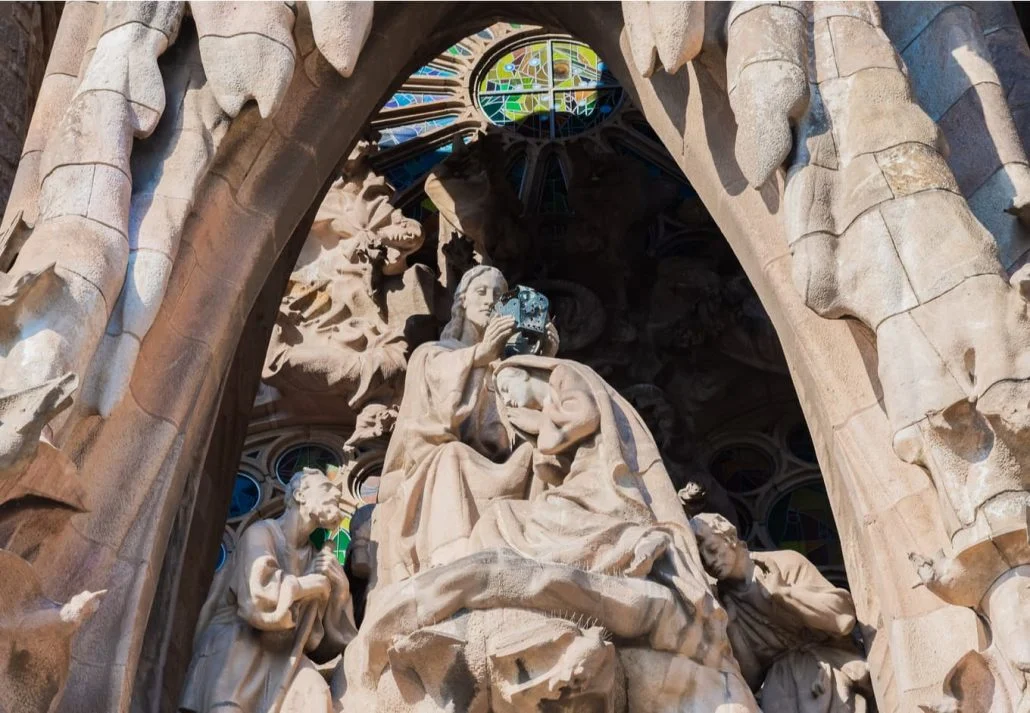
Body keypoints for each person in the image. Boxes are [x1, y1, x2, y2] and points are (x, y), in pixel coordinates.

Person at [370, 265, 557, 586]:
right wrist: (480, 356)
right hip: (448, 464)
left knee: (541, 456)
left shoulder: (508, 368)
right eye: (481, 292)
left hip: (507, 465)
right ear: (462, 302)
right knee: (451, 456)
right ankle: (454, 559)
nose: (490, 300)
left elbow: (535, 418)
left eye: (499, 296)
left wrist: (543, 359)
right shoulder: (433, 354)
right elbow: (432, 425)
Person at [180, 468, 355, 713]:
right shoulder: (260, 534)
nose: (336, 493)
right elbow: (257, 599)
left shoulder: (316, 559)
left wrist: (339, 592)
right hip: (238, 648)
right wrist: (310, 584)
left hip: (286, 657)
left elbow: (323, 646)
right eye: (326, 488)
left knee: (315, 693)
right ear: (300, 495)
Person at [690, 512, 872, 713]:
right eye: (702, 559)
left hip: (829, 670)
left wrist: (784, 594)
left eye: (712, 549)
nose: (710, 562)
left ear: (730, 538)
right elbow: (751, 678)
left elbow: (842, 618)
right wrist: (731, 625)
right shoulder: (725, 602)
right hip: (779, 693)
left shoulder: (784, 564)